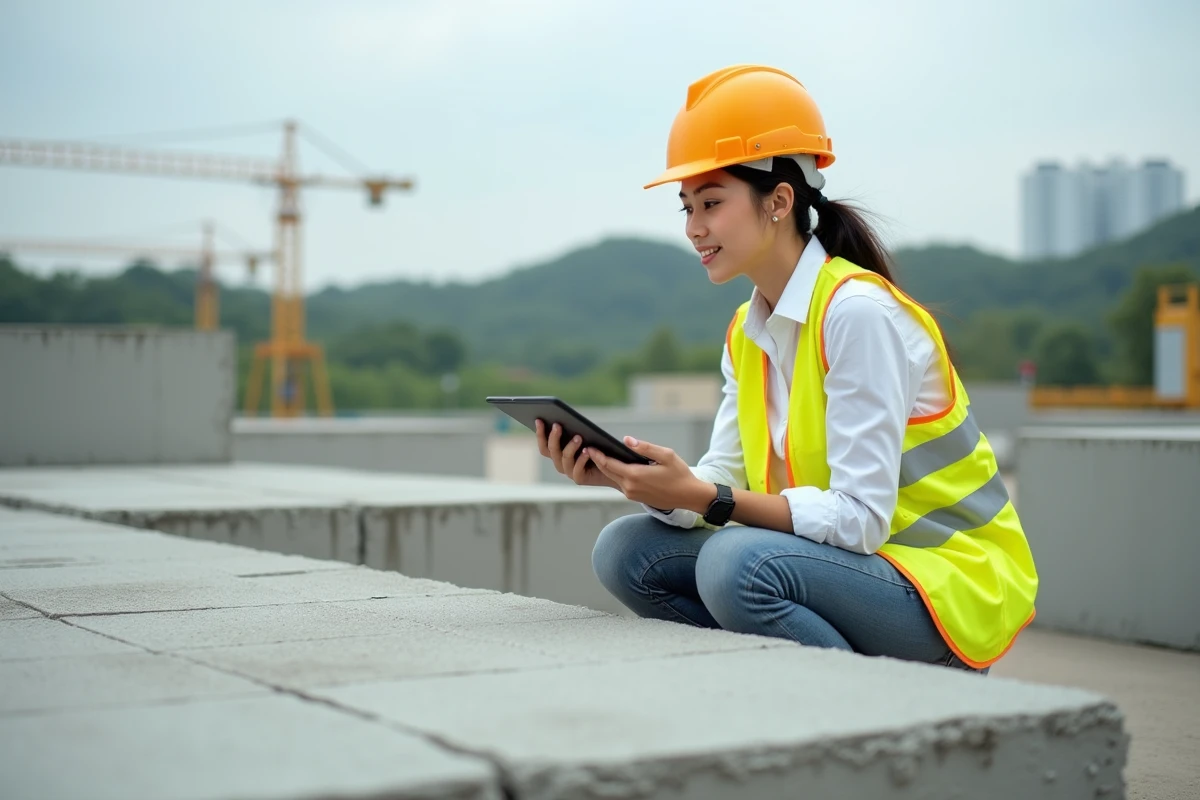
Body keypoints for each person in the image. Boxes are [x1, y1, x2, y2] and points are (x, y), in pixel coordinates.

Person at [535, 64, 1037, 672]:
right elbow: (723, 474)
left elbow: (859, 520)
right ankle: (767, 696)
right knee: (626, 550)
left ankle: (874, 715)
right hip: (842, 573)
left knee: (736, 563)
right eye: (687, 207)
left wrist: (705, 496)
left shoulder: (857, 314)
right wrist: (636, 481)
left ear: (778, 201)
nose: (694, 228)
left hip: (943, 585)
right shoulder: (747, 331)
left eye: (712, 203)